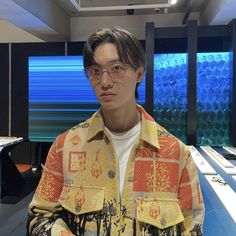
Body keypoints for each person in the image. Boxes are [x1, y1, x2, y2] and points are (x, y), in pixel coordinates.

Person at [27, 27, 204, 236]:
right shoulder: (64, 147)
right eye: (95, 71)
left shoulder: (176, 154)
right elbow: (39, 216)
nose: (105, 82)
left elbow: (193, 229)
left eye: (117, 68)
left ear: (139, 73)